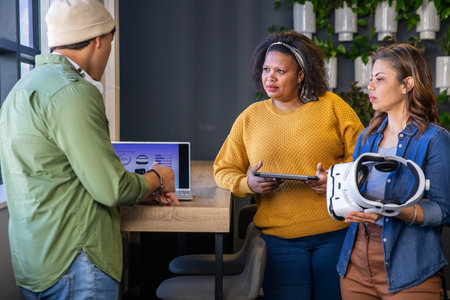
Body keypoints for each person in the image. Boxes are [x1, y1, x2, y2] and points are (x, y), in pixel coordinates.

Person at [0, 0, 179, 299]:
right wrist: (158, 176)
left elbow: (60, 178)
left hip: (34, 262)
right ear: (99, 40)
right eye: (111, 41)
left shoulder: (22, 90)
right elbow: (112, 188)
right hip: (78, 262)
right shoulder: (74, 92)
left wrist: (140, 191)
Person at [213, 30, 364, 300]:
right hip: (279, 240)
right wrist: (248, 183)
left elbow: (364, 159)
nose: (269, 77)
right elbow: (223, 169)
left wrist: (334, 178)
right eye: (266, 69)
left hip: (336, 234)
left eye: (280, 71)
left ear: (301, 75)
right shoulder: (251, 117)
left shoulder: (332, 106)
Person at [337, 43, 450, 299]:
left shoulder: (434, 139)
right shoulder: (367, 138)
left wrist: (392, 211)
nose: (371, 86)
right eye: (370, 79)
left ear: (406, 84)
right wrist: (333, 187)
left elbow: (445, 210)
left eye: (380, 79)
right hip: (355, 269)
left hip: (410, 271)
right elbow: (355, 196)